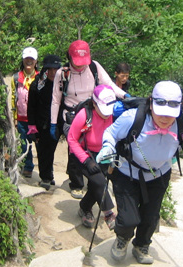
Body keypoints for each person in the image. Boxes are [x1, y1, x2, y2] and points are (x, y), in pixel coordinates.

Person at [98, 80, 183, 265]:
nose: (165, 118)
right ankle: (122, 238)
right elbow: (110, 133)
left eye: (170, 114)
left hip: (160, 174)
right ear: (151, 104)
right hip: (127, 172)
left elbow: (180, 139)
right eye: (160, 112)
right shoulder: (133, 118)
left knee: (151, 217)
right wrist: (108, 147)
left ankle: (141, 245)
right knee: (128, 219)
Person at [50, 39, 126, 199]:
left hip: (93, 113)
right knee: (74, 148)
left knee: (94, 145)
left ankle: (96, 180)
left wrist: (125, 96)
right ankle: (76, 183)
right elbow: (56, 99)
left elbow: (109, 85)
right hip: (71, 115)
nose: (80, 66)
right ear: (69, 58)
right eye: (77, 63)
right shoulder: (62, 73)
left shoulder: (94, 67)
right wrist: (53, 123)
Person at [67, 84, 118, 230]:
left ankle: (84, 207)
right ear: (94, 104)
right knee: (100, 182)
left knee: (96, 184)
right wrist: (86, 160)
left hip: (103, 154)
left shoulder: (113, 114)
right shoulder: (84, 114)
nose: (107, 114)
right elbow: (72, 139)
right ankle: (108, 214)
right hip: (83, 154)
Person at [27, 54, 63, 191]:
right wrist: (32, 125)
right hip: (40, 124)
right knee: (42, 150)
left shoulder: (61, 84)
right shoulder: (37, 84)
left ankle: (49, 174)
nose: (53, 73)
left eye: (56, 70)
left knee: (51, 150)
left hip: (55, 123)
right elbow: (31, 106)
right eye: (50, 69)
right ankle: (45, 177)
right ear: (45, 69)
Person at [11, 47, 38, 178]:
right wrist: (14, 117)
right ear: (23, 60)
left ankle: (46, 172)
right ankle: (27, 166)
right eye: (27, 59)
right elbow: (13, 98)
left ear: (36, 61)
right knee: (24, 143)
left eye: (31, 59)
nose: (29, 61)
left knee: (39, 144)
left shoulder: (40, 77)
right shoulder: (16, 78)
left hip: (37, 119)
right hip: (21, 117)